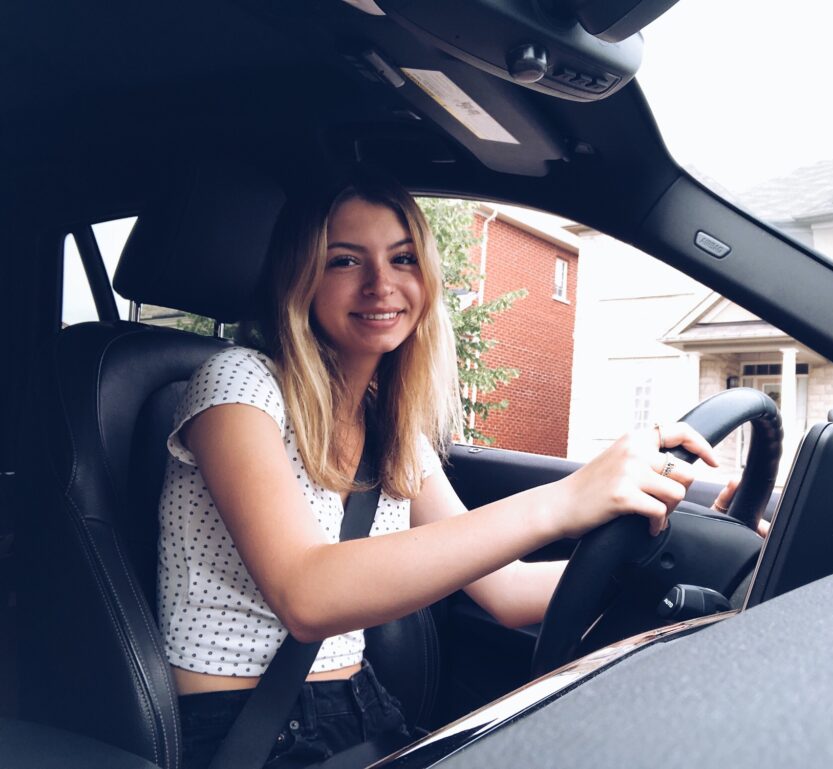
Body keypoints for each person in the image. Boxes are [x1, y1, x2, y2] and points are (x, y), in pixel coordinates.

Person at [156, 169, 732, 769]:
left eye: (402, 258)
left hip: (361, 710)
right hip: (242, 730)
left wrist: (676, 558)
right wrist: (564, 500)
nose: (382, 284)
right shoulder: (237, 384)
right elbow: (306, 595)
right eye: (345, 261)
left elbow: (505, 591)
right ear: (301, 278)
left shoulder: (390, 425)